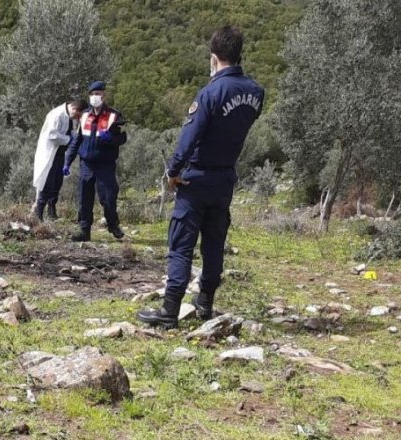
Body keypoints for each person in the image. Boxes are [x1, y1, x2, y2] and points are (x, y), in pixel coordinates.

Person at [138, 26, 265, 329]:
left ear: (213, 57)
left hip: (195, 178)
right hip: (225, 179)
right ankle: (205, 302)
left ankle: (169, 311)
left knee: (181, 244)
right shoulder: (255, 93)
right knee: (214, 242)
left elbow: (189, 137)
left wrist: (173, 172)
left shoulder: (210, 93)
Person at [63, 81, 127, 242]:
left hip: (105, 165)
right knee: (84, 199)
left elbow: (122, 138)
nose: (95, 97)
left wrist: (111, 138)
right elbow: (76, 141)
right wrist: (67, 161)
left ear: (104, 95)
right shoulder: (84, 115)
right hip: (87, 164)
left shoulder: (114, 115)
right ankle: (84, 230)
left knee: (108, 198)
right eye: (92, 94)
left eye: (98, 93)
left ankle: (113, 225)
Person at [32, 98, 86, 221]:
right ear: (74, 109)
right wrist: (69, 139)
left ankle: (52, 212)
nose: (77, 119)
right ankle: (38, 213)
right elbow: (52, 135)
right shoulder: (57, 115)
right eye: (78, 115)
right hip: (50, 154)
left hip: (60, 154)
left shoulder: (69, 116)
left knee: (57, 182)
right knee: (47, 182)